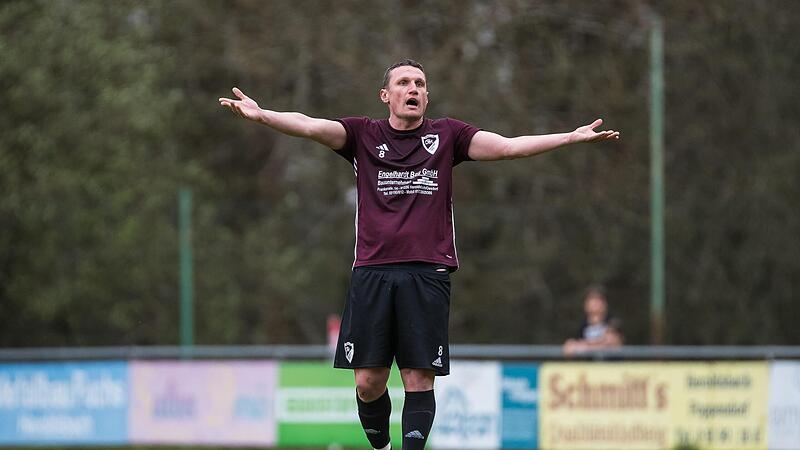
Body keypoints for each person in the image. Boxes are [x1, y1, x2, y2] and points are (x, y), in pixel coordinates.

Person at [219, 59, 619, 450]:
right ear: (385, 95)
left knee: (417, 379)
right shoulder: (362, 134)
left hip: (427, 275)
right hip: (372, 272)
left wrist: (568, 137)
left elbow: (509, 147)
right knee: (368, 383)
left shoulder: (448, 136)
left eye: (421, 84)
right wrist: (262, 115)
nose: (414, 89)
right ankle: (381, 446)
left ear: (427, 96)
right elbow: (309, 125)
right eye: (405, 83)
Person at [563, 285, 623, 356]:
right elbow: (569, 347)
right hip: (588, 366)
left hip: (611, 366)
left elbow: (611, 344)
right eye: (591, 299)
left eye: (599, 300)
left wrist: (584, 347)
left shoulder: (613, 322)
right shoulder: (582, 325)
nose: (595, 303)